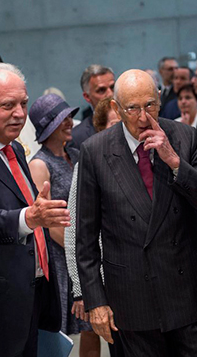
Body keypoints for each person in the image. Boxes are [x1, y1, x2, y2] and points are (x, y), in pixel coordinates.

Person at [76, 69, 197, 356]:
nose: (144, 117)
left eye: (150, 105)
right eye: (133, 108)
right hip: (132, 297)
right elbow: (85, 239)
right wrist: (95, 301)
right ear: (117, 109)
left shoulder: (183, 136)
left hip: (185, 292)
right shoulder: (95, 152)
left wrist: (175, 162)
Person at [0, 63, 64, 357]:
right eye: (8, 105)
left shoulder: (15, 148)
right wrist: (29, 218)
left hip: (34, 291)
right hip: (1, 306)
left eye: (23, 103)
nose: (20, 113)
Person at [65, 96, 121, 357]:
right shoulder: (88, 163)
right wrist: (81, 288)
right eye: (113, 123)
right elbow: (74, 230)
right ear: (100, 129)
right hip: (110, 277)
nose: (121, 127)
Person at [28, 93, 80, 337]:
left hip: (83, 249)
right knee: (61, 331)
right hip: (61, 256)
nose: (70, 122)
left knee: (90, 328)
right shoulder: (40, 164)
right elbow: (47, 222)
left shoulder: (76, 155)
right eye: (63, 118)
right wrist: (75, 252)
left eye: (70, 116)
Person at [70, 64, 115, 149]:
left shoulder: (134, 122)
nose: (110, 94)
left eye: (112, 87)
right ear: (87, 96)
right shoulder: (77, 137)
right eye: (101, 90)